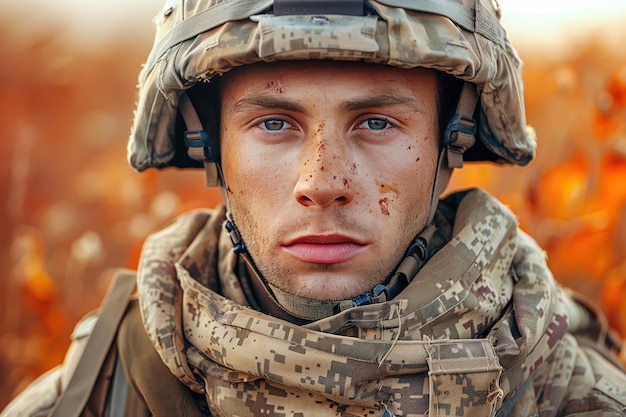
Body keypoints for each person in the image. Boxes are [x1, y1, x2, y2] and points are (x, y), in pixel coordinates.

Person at [3, 0, 626, 416]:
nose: (322, 182)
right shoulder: (94, 394)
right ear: (210, 142)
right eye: (275, 122)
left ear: (451, 136)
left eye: (377, 122)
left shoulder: (573, 394)